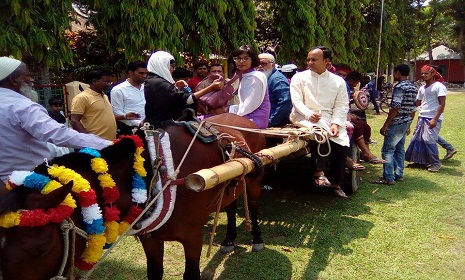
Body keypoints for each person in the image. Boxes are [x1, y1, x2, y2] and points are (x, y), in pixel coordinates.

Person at [0, 56, 111, 186]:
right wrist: (108, 145)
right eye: (27, 76)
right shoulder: (22, 107)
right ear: (13, 80)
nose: (31, 80)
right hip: (28, 183)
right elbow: (58, 134)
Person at [289, 46, 349, 197]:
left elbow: (342, 105)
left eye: (313, 59)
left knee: (341, 140)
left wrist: (336, 123)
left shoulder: (338, 81)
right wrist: (309, 114)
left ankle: (336, 183)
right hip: (302, 116)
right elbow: (296, 101)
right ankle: (318, 172)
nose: (309, 62)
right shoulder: (299, 77)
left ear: (326, 61)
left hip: (329, 118)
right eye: (308, 59)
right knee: (320, 130)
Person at [144, 51, 223, 128]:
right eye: (172, 66)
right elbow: (186, 100)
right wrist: (211, 88)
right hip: (161, 127)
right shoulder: (158, 83)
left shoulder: (153, 80)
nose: (173, 69)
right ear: (163, 65)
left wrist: (176, 88)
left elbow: (169, 98)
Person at [370, 64, 417, 185]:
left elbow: (395, 107)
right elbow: (413, 108)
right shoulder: (413, 87)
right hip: (406, 122)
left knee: (388, 150)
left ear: (398, 73)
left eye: (395, 73)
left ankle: (388, 177)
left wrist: (385, 125)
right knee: (400, 149)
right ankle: (399, 174)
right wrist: (409, 124)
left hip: (397, 122)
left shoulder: (400, 87)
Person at [405, 65, 447, 172]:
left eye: (426, 73)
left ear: (433, 74)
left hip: (432, 117)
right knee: (418, 139)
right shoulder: (422, 88)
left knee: (429, 140)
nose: (423, 75)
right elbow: (418, 102)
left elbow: (442, 104)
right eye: (422, 73)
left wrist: (435, 119)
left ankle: (435, 163)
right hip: (422, 116)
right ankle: (419, 161)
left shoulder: (439, 86)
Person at [225, 45, 270, 129]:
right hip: (246, 116)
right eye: (238, 58)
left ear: (252, 60)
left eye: (246, 58)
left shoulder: (255, 77)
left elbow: (248, 106)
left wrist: (227, 110)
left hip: (255, 119)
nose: (241, 61)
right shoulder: (246, 75)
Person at [70, 69, 117, 140]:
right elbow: (74, 120)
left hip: (110, 142)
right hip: (94, 144)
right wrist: (88, 139)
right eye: (107, 82)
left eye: (110, 82)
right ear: (94, 81)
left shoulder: (104, 96)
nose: (109, 84)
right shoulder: (82, 97)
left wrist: (125, 116)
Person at [111, 61, 148, 135]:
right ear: (131, 73)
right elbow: (117, 114)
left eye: (146, 73)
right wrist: (139, 123)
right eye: (141, 73)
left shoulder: (147, 87)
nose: (144, 76)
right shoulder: (118, 90)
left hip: (149, 127)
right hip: (130, 130)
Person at [258, 53, 292, 127]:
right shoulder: (267, 77)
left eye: (263, 64)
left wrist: (272, 121)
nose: (259, 67)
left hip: (273, 123)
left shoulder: (277, 79)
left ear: (273, 65)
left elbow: (285, 101)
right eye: (257, 64)